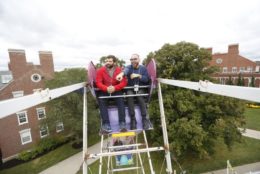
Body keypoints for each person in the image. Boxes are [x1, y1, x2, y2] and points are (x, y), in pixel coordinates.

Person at [116, 53, 150, 130]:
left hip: (140, 87)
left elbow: (146, 79)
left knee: (140, 96)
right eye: (131, 59)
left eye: (135, 59)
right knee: (129, 96)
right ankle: (133, 119)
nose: (133, 61)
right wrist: (121, 74)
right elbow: (125, 71)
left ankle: (144, 119)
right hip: (131, 88)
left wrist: (138, 76)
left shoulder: (143, 68)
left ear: (139, 60)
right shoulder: (129, 67)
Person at [96, 55, 127, 133]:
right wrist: (106, 88)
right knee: (101, 102)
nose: (107, 63)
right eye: (106, 61)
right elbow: (98, 82)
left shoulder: (119, 70)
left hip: (116, 89)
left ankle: (122, 123)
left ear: (114, 62)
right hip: (105, 90)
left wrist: (115, 88)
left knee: (121, 101)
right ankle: (106, 124)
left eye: (110, 61)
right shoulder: (100, 70)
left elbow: (124, 82)